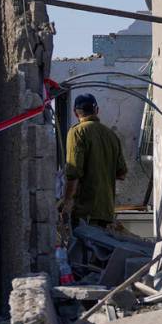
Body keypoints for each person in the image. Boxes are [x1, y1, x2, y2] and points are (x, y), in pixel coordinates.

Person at [60, 94, 128, 227]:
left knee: (81, 247)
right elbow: (122, 174)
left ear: (75, 113)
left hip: (84, 211)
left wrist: (67, 202)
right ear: (97, 110)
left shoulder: (77, 132)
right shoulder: (111, 135)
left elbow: (74, 172)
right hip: (106, 210)